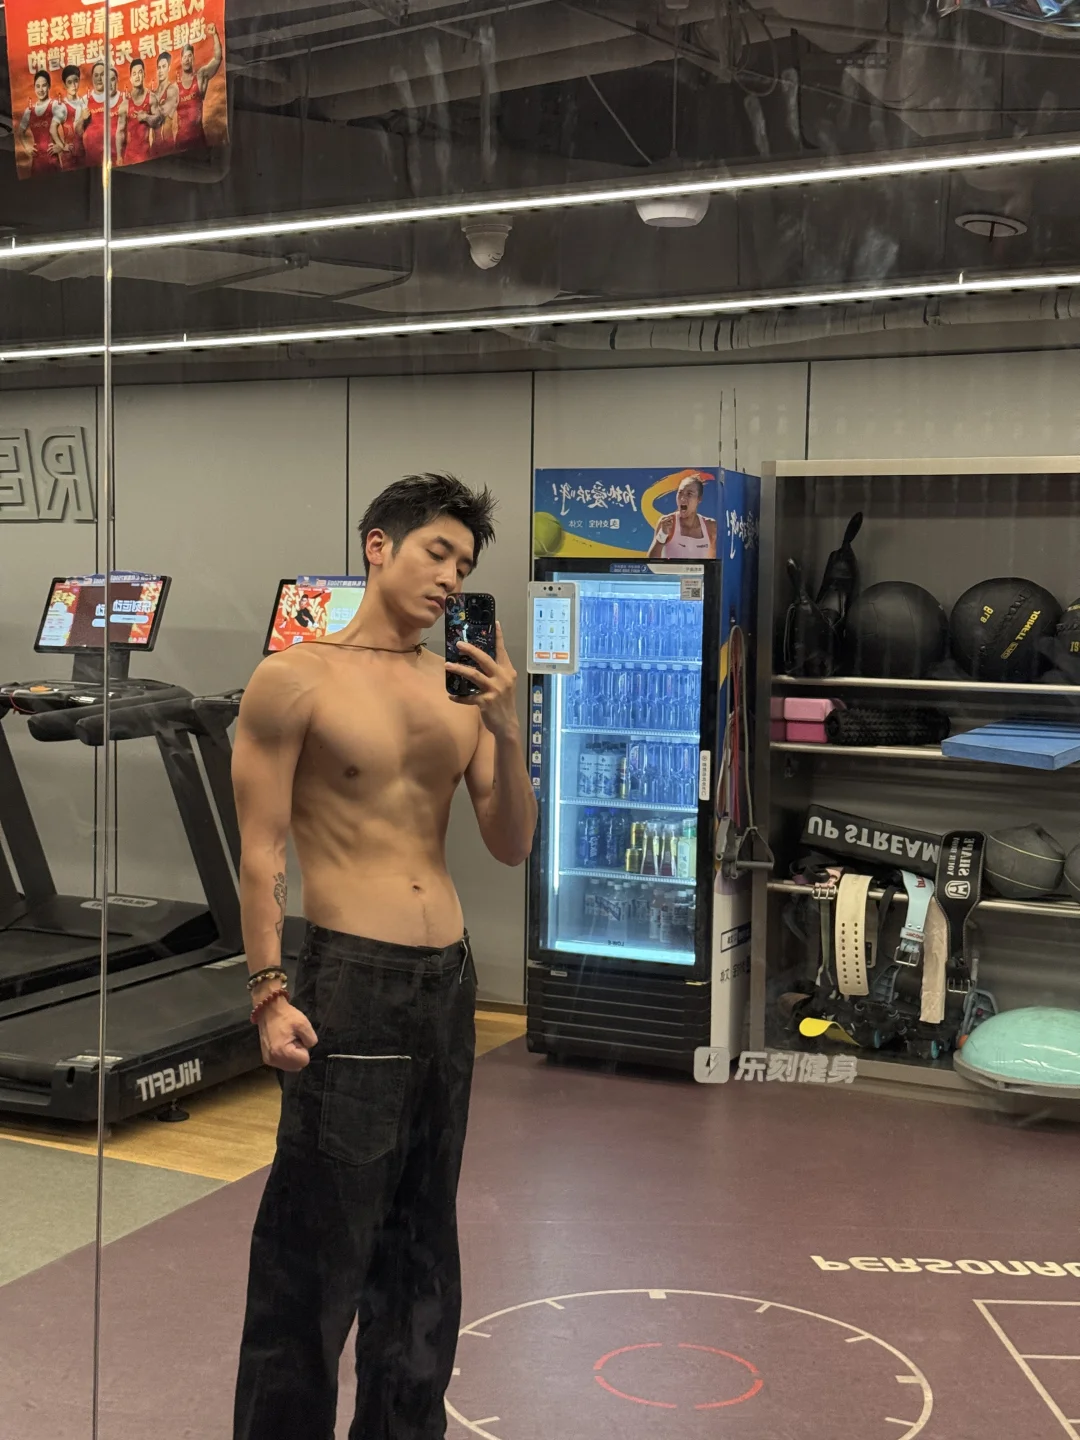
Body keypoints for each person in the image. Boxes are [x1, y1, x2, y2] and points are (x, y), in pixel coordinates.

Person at [232, 473, 536, 1440]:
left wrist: (508, 729)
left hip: (446, 984)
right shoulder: (296, 678)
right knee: (315, 1254)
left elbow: (510, 843)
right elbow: (260, 852)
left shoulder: (457, 688)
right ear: (378, 545)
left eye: (465, 565)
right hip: (349, 977)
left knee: (422, 1253)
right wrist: (268, 990)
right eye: (437, 552)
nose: (451, 578)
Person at [161, 24, 222, 151]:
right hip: (180, 144)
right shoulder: (174, 88)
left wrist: (215, 35)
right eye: (185, 57)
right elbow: (167, 121)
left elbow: (217, 59)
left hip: (199, 142)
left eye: (190, 56)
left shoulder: (200, 77)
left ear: (193, 58)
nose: (187, 59)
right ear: (181, 60)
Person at [648, 471, 718, 559]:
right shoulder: (667, 523)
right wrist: (662, 534)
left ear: (699, 499)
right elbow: (651, 562)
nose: (683, 498)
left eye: (689, 494)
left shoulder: (711, 526)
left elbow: (713, 562)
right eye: (680, 493)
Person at [17, 70, 63, 177]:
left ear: (49, 86)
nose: (41, 90)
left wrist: (61, 146)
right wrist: (27, 147)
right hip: (36, 162)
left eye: (44, 85)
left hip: (53, 161)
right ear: (34, 88)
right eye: (38, 86)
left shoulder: (55, 105)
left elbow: (70, 126)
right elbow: (20, 132)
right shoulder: (29, 111)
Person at [117, 57, 160, 166]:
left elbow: (158, 121)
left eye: (140, 72)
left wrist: (146, 117)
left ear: (144, 75)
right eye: (134, 73)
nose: (137, 76)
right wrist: (119, 156)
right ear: (130, 78)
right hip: (129, 157)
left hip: (147, 156)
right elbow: (120, 132)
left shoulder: (151, 98)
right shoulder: (125, 104)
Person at [77, 63, 120, 169]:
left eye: (102, 75)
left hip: (115, 161)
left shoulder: (117, 97)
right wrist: (82, 119)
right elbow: (78, 132)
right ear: (92, 78)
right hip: (93, 162)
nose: (99, 79)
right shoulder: (84, 100)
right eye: (96, 75)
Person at [55, 65, 86, 171]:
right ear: (64, 84)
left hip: (84, 152)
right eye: (69, 82)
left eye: (76, 81)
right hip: (68, 155)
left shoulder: (84, 102)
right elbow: (52, 130)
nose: (73, 85)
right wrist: (62, 145)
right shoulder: (61, 105)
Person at [154, 51, 178, 152]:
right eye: (159, 67)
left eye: (163, 67)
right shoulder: (154, 94)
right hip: (155, 148)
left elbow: (163, 112)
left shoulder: (172, 89)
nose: (160, 70)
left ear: (169, 68)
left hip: (168, 148)